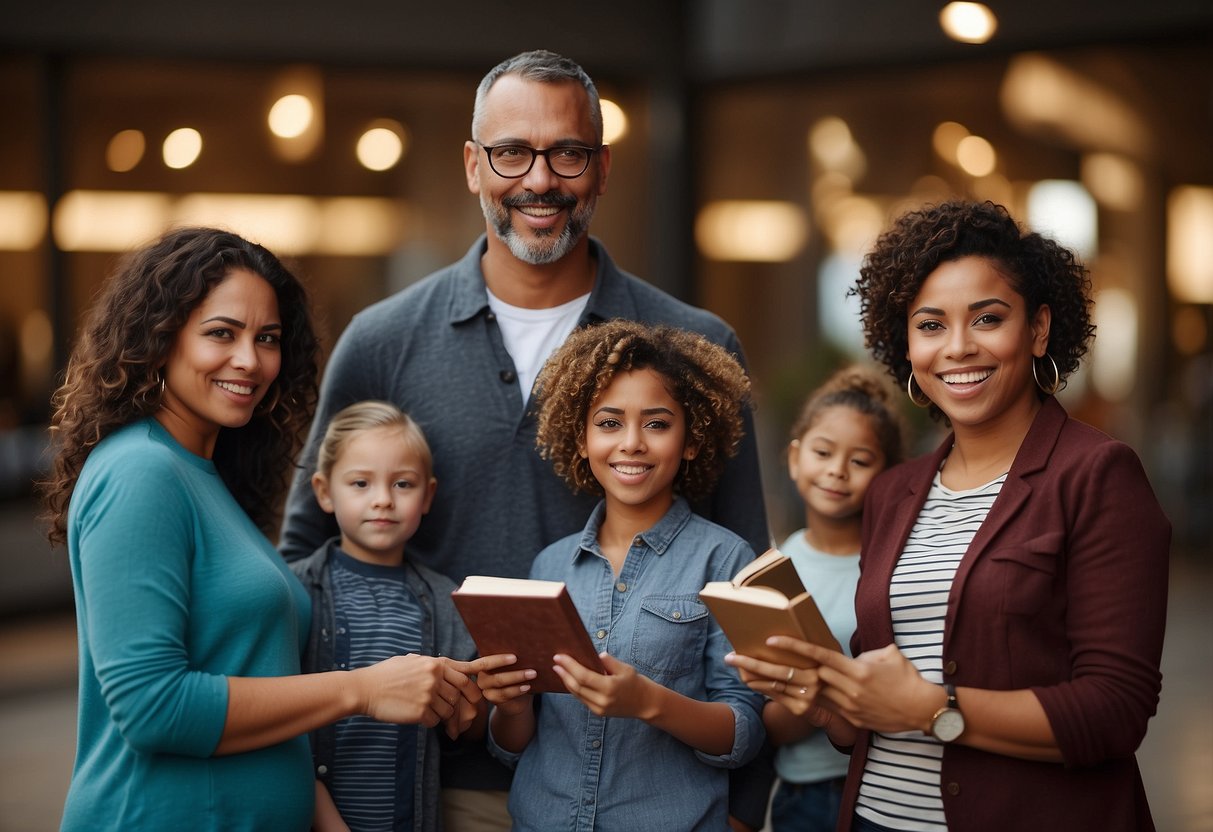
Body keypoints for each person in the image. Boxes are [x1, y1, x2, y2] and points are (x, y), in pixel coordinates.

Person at [278, 48, 771, 829]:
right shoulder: (382, 340)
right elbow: (302, 567)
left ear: (601, 169)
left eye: (567, 152)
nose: (539, 180)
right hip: (427, 786)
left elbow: (752, 608)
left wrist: (744, 810)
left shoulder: (692, 345)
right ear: (474, 166)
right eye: (511, 152)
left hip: (659, 795)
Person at [726, 200, 1171, 831]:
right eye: (930, 325)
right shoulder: (892, 493)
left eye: (987, 319)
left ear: (1039, 329)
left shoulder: (1098, 476)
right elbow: (865, 719)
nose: (958, 348)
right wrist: (825, 695)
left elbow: (1114, 711)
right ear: (905, 343)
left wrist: (934, 708)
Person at [41, 227, 493, 831]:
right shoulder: (142, 471)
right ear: (160, 337)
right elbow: (153, 708)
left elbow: (254, 681)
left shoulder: (203, 473)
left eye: (268, 338)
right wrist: (361, 689)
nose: (250, 361)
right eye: (221, 333)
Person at [475, 319, 766, 830]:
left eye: (657, 424)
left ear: (691, 439)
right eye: (609, 423)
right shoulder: (549, 567)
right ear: (582, 440)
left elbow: (743, 732)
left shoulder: (726, 560)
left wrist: (649, 703)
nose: (631, 443)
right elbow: (512, 748)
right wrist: (513, 707)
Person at [291, 400, 487, 832]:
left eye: (402, 484)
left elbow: (468, 723)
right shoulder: (295, 591)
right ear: (324, 492)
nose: (382, 500)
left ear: (428, 495)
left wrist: (487, 703)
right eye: (360, 483)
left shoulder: (445, 600)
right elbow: (282, 722)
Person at [765, 366, 904, 832]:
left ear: (888, 474)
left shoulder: (894, 568)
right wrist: (815, 700)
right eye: (823, 452)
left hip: (888, 788)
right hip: (804, 794)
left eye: (861, 460)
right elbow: (770, 722)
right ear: (794, 458)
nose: (837, 471)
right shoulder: (772, 572)